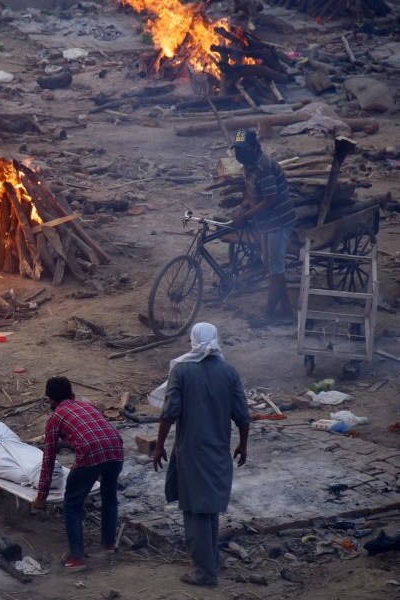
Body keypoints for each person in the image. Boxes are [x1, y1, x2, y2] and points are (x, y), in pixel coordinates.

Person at [152, 322, 250, 588]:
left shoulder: (182, 371)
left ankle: (204, 573)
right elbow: (243, 415)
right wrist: (243, 445)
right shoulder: (229, 372)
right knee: (209, 510)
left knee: (195, 512)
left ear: (193, 340)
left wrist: (159, 446)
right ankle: (212, 559)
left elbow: (169, 413)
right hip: (218, 452)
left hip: (192, 453)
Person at [33, 377, 124, 572]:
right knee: (109, 498)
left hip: (91, 454)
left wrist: (41, 497)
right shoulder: (88, 405)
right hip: (116, 449)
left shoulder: (55, 418)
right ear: (72, 394)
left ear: (50, 399)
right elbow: (99, 431)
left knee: (72, 504)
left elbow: (48, 460)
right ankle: (107, 545)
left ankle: (76, 558)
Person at [229, 128, 296, 325]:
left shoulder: (263, 167)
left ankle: (268, 315)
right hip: (266, 222)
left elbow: (270, 200)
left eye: (242, 149)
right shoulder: (248, 166)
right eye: (236, 150)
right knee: (272, 267)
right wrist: (242, 208)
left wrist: (246, 216)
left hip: (279, 220)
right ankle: (287, 311)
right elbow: (251, 195)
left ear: (253, 146)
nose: (238, 154)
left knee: (275, 268)